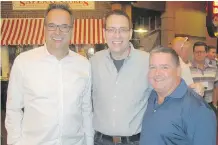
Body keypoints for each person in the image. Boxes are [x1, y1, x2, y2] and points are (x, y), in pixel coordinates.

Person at [5, 4, 93, 145]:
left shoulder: (84, 65)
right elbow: (13, 109)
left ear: (72, 29)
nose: (58, 32)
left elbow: (86, 110)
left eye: (64, 26)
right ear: (44, 28)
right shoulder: (23, 62)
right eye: (52, 26)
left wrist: (89, 142)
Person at [90, 10, 151, 145]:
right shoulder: (93, 62)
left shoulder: (147, 62)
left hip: (136, 141)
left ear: (130, 33)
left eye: (122, 30)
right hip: (100, 141)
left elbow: (165, 91)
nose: (117, 35)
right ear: (104, 33)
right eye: (111, 30)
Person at [139, 46, 217, 145]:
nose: (157, 73)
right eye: (152, 67)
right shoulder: (152, 96)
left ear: (178, 71)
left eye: (164, 67)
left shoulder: (198, 108)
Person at [190, 41, 218, 113]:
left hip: (209, 105)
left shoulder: (214, 69)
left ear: (206, 53)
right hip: (192, 107)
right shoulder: (188, 69)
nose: (199, 54)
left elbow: (216, 87)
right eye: (196, 52)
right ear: (193, 53)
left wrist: (214, 104)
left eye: (201, 51)